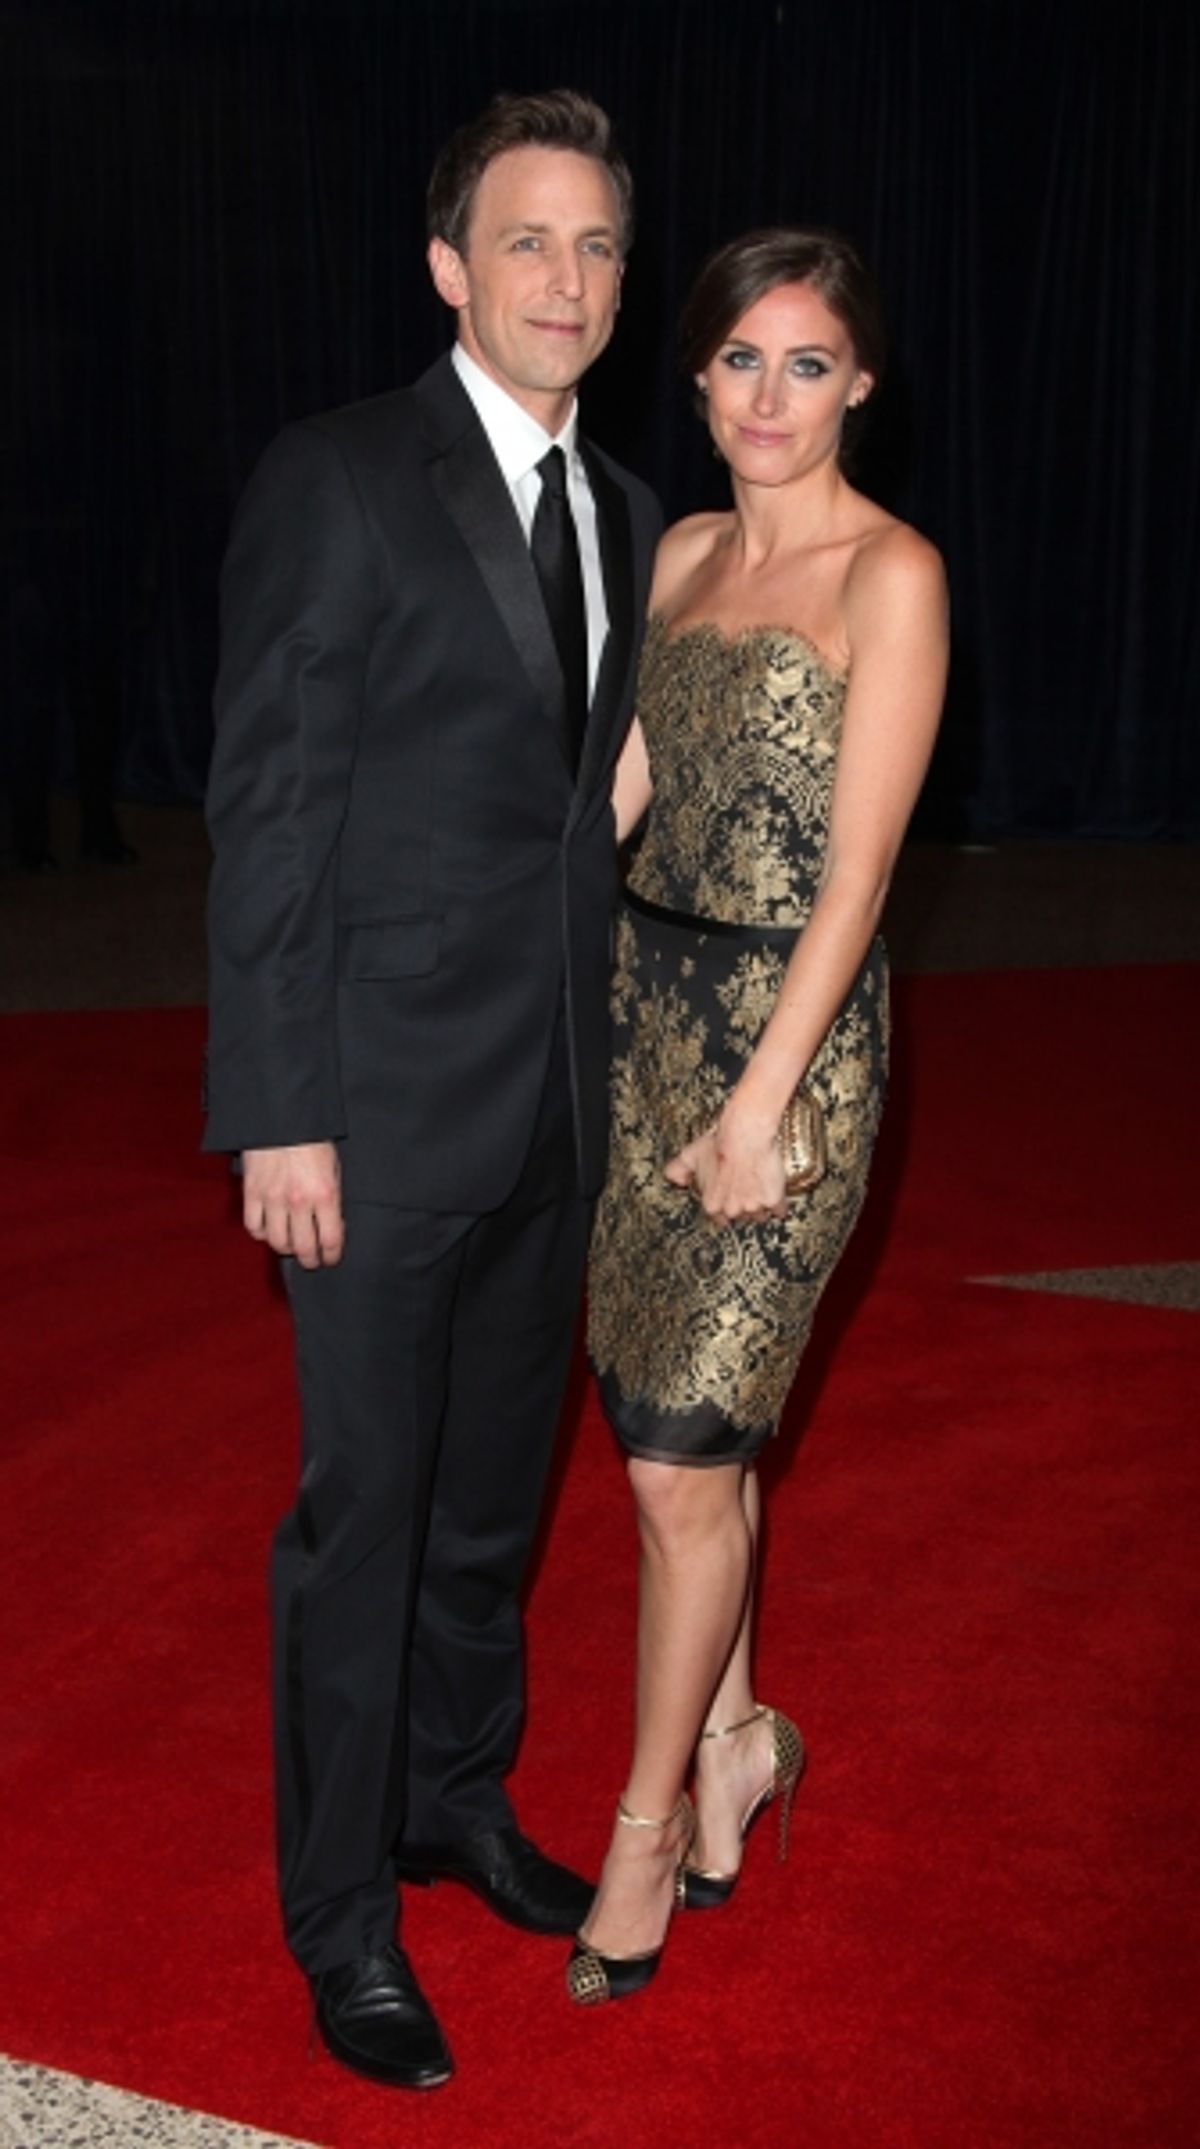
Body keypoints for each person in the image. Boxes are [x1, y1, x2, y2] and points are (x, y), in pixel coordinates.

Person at [204, 90, 660, 2087]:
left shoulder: (632, 514)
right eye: (528, 241)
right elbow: (271, 810)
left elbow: (595, 816)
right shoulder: (340, 478)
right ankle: (341, 1914)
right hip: (374, 1113)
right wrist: (276, 1104)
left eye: (599, 248)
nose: (566, 281)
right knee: (364, 1522)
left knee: (488, 1516)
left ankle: (454, 1801)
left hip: (559, 1102)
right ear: (450, 268)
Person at [570, 228, 948, 2002]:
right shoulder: (687, 551)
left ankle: (643, 1827)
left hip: (788, 1048)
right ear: (699, 373)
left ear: (861, 380)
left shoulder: (892, 573)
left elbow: (862, 872)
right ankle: (729, 1752)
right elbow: (623, 797)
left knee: (669, 1454)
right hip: (645, 1023)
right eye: (740, 359)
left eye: (809, 364)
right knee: (690, 1447)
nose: (770, 397)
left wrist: (757, 1109)